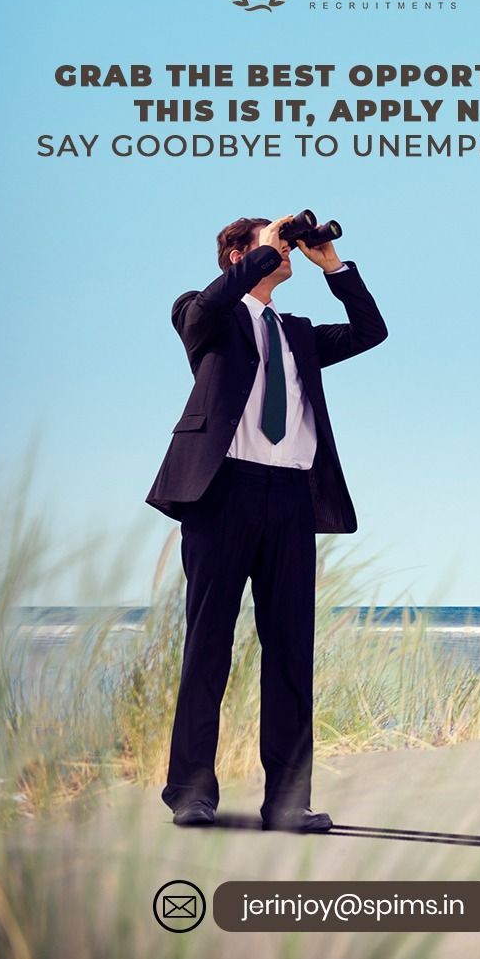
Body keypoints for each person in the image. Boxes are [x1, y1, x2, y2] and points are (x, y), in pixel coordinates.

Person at [145, 214, 388, 830]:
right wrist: (265, 247)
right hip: (223, 492)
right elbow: (209, 303)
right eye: (273, 242)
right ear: (237, 255)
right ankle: (192, 791)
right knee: (208, 647)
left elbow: (372, 331)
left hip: (290, 500)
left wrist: (332, 266)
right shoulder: (204, 315)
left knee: (289, 654)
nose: (285, 250)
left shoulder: (299, 334)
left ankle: (287, 800)